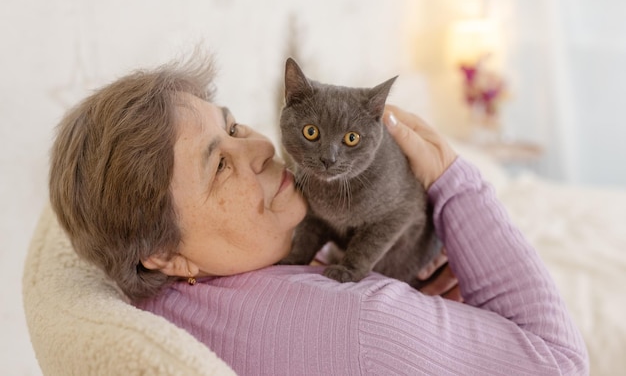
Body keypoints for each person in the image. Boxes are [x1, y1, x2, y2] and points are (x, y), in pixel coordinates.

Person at [48, 53, 588, 375]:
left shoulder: (165, 295)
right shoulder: (360, 324)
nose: (258, 149)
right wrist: (456, 180)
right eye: (218, 166)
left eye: (234, 127)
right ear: (163, 253)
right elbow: (561, 364)